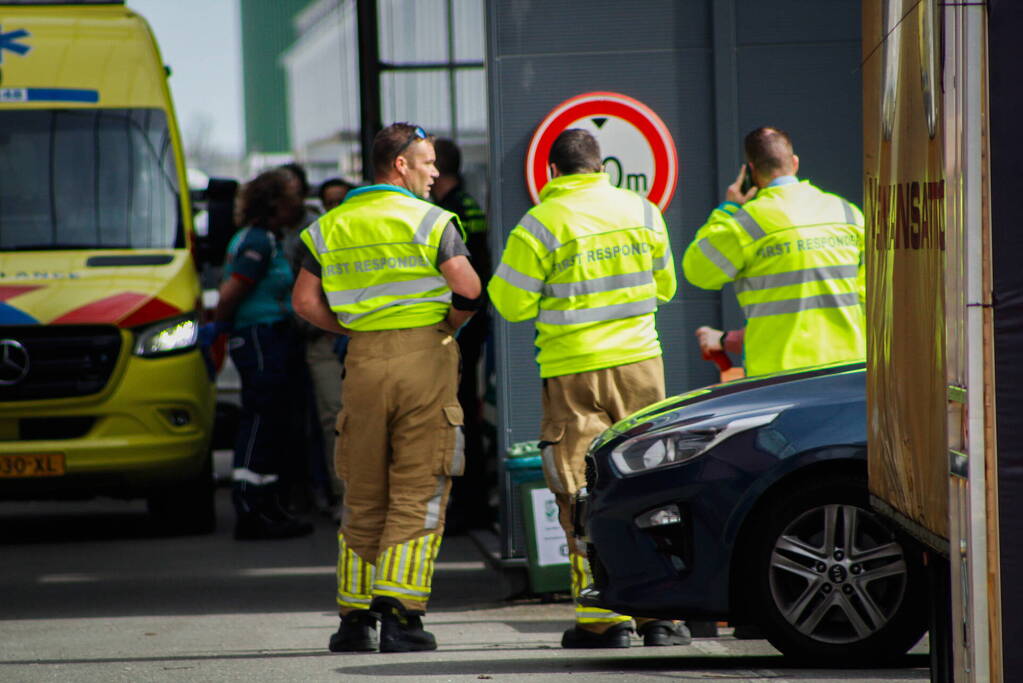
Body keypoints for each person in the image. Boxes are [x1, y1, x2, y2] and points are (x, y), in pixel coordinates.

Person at [488, 129, 689, 649]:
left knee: (580, 491)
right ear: (603, 166)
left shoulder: (540, 224)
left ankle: (604, 618)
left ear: (553, 172)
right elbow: (665, 287)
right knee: (651, 483)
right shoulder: (643, 212)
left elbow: (509, 303)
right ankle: (660, 615)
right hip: (642, 365)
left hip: (573, 372)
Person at [292, 122, 483, 653]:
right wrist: (448, 324)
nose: (435, 172)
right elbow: (469, 288)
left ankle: (355, 620)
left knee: (363, 488)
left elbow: (305, 303)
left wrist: (352, 327)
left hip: (363, 359)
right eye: (427, 162)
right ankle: (400, 615)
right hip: (424, 355)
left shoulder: (330, 226)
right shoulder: (431, 220)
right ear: (400, 165)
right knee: (419, 486)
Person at [682, 126, 866, 376]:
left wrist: (727, 209)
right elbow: (871, 297)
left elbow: (697, 270)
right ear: (795, 162)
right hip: (848, 368)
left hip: (779, 377)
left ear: (752, 172)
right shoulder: (847, 213)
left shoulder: (746, 223)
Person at [203, 169, 314, 541]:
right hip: (259, 337)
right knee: (261, 421)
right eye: (293, 195)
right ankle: (250, 508)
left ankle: (268, 504)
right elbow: (231, 292)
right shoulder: (257, 242)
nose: (299, 202)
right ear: (274, 202)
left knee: (272, 423)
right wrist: (219, 329)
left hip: (271, 336)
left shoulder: (267, 237)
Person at [431, 138, 492, 532]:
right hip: (475, 318)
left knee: (459, 413)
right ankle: (475, 502)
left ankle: (468, 506)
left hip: (461, 321)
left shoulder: (447, 213)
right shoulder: (467, 205)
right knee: (467, 408)